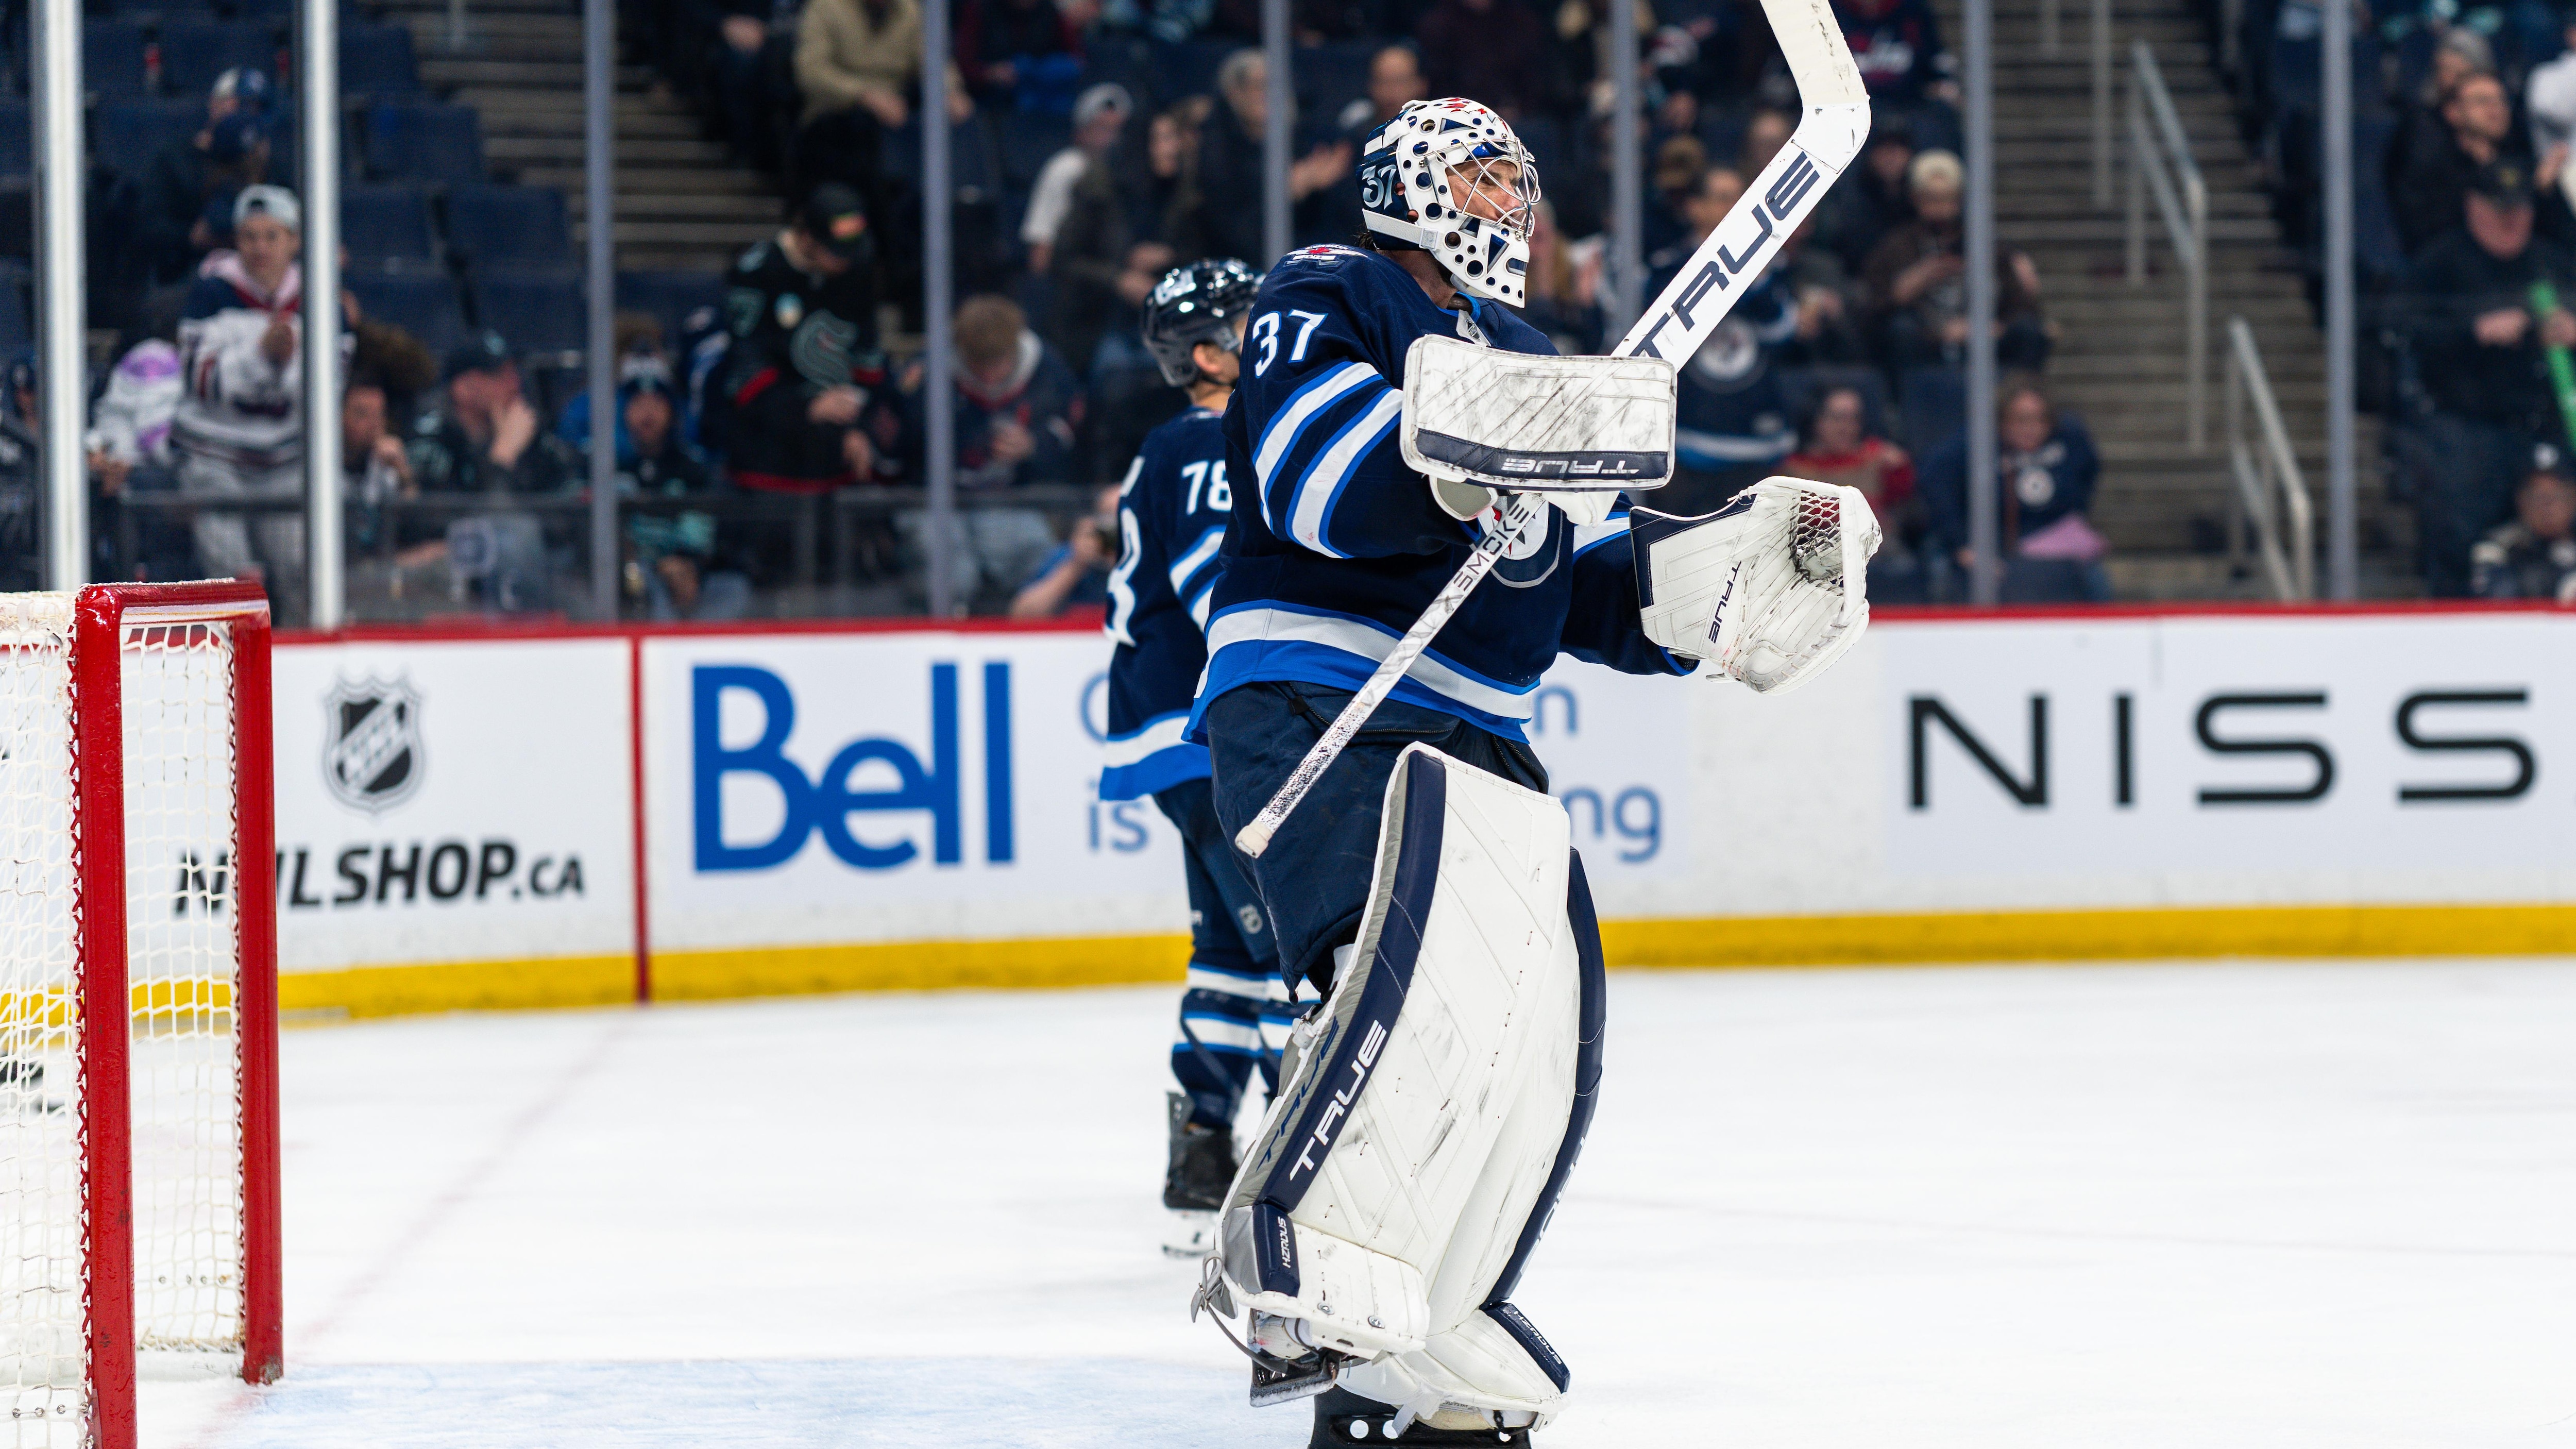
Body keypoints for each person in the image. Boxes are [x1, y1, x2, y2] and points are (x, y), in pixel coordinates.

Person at [1181, 97, 1808, 1440]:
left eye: (1522, 178)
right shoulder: (1328, 290)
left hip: (1483, 730)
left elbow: (1552, 589)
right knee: (1406, 985)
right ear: (1407, 184)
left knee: (1540, 1030)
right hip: (1326, 691)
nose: (1510, 200)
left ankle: (1421, 1338)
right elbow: (1315, 481)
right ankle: (1303, 1257)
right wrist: (1458, 460)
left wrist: (1702, 591)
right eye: (1480, 174)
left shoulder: (1526, 358)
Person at [1076, 259, 1286, 1256]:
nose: (1270, 332)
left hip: (1170, 736)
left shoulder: (1171, 445)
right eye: (1248, 324)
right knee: (1293, 938)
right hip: (1208, 731)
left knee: (1234, 945)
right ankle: (1304, 1155)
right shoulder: (1214, 442)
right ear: (1208, 356)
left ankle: (1201, 1148)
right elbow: (1217, 588)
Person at [2399, 161, 2576, 594]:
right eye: (2500, 209)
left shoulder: (2551, 263)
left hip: (2544, 427)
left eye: (2520, 209)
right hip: (2466, 429)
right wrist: (2474, 331)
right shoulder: (2439, 265)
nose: (2511, 219)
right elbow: (2404, 332)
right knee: (2461, 538)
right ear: (2473, 206)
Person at [171, 186, 337, 624]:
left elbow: (329, 387)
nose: (260, 247)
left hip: (285, 461)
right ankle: (229, 676)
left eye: (272, 235)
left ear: (295, 240)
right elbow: (199, 379)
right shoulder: (210, 291)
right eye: (249, 236)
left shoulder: (322, 294)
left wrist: (283, 363)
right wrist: (264, 357)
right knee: (233, 585)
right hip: (215, 458)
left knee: (304, 572)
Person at [719, 184, 900, 495]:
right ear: (806, 239)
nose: (846, 262)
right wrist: (808, 408)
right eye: (836, 252)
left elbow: (867, 358)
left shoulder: (858, 270)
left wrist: (860, 425)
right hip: (770, 461)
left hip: (839, 455)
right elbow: (745, 370)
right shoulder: (758, 273)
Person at [1653, 167, 1800, 512]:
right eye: (1723, 198)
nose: (1735, 207)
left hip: (1756, 446)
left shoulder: (1774, 268)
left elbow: (1783, 334)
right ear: (1695, 208)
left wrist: (1757, 274)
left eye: (1741, 198)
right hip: (1690, 446)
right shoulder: (1668, 269)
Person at [1920, 377, 2108, 601]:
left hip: (2059, 548)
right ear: (2001, 420)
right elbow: (1936, 481)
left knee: (2096, 579)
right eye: (2022, 420)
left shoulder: (2069, 440)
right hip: (1997, 551)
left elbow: (2088, 472)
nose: (2034, 428)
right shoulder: (1975, 445)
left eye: (2043, 420)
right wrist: (1962, 546)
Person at [1861, 148, 2047, 372]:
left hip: (1987, 337)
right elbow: (1873, 306)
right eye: (1931, 199)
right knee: (1902, 331)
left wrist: (1988, 328)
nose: (1940, 208)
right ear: (1915, 198)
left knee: (2028, 331)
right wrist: (1914, 283)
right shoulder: (1896, 246)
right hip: (1925, 342)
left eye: (1947, 198)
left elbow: (2022, 305)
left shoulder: (1989, 246)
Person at [615, 373, 751, 620]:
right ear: (624, 413)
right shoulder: (610, 468)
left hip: (694, 575)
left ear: (672, 412)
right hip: (636, 574)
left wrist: (692, 566)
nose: (648, 413)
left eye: (656, 403)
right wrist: (653, 565)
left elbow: (716, 536)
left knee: (733, 589)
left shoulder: (697, 469)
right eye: (638, 404)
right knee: (643, 582)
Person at [1194, 50, 1351, 263]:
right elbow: (1233, 234)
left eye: (1276, 85)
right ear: (1234, 93)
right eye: (1258, 85)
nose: (1269, 94)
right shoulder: (1218, 150)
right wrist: (1286, 191)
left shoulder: (1304, 143)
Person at [141, 69, 274, 286]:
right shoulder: (175, 159)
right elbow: (146, 229)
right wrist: (191, 236)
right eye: (240, 104)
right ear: (215, 104)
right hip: (184, 277)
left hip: (258, 283)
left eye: (256, 108)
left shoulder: (265, 164)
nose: (248, 114)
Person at [2394, 71, 2528, 258]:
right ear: (2453, 112)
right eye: (2482, 101)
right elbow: (2427, 240)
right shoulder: (2432, 172)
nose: (2495, 109)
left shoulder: (2524, 165)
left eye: (2501, 100)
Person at [1021, 84, 1131, 276]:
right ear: (1081, 130)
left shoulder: (1130, 174)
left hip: (1113, 278)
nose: (1112, 138)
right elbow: (1041, 249)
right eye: (1102, 127)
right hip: (1074, 280)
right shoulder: (1066, 167)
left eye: (1117, 129)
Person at [2471, 444, 2576, 599]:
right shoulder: (2499, 545)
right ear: (2521, 501)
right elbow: (2495, 599)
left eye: (2556, 496)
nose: (2547, 507)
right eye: (2537, 497)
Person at [1008, 483, 1120, 617]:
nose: (1116, 527)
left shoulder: (1150, 558)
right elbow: (1023, 615)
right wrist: (1077, 563)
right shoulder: (1070, 555)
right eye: (1108, 518)